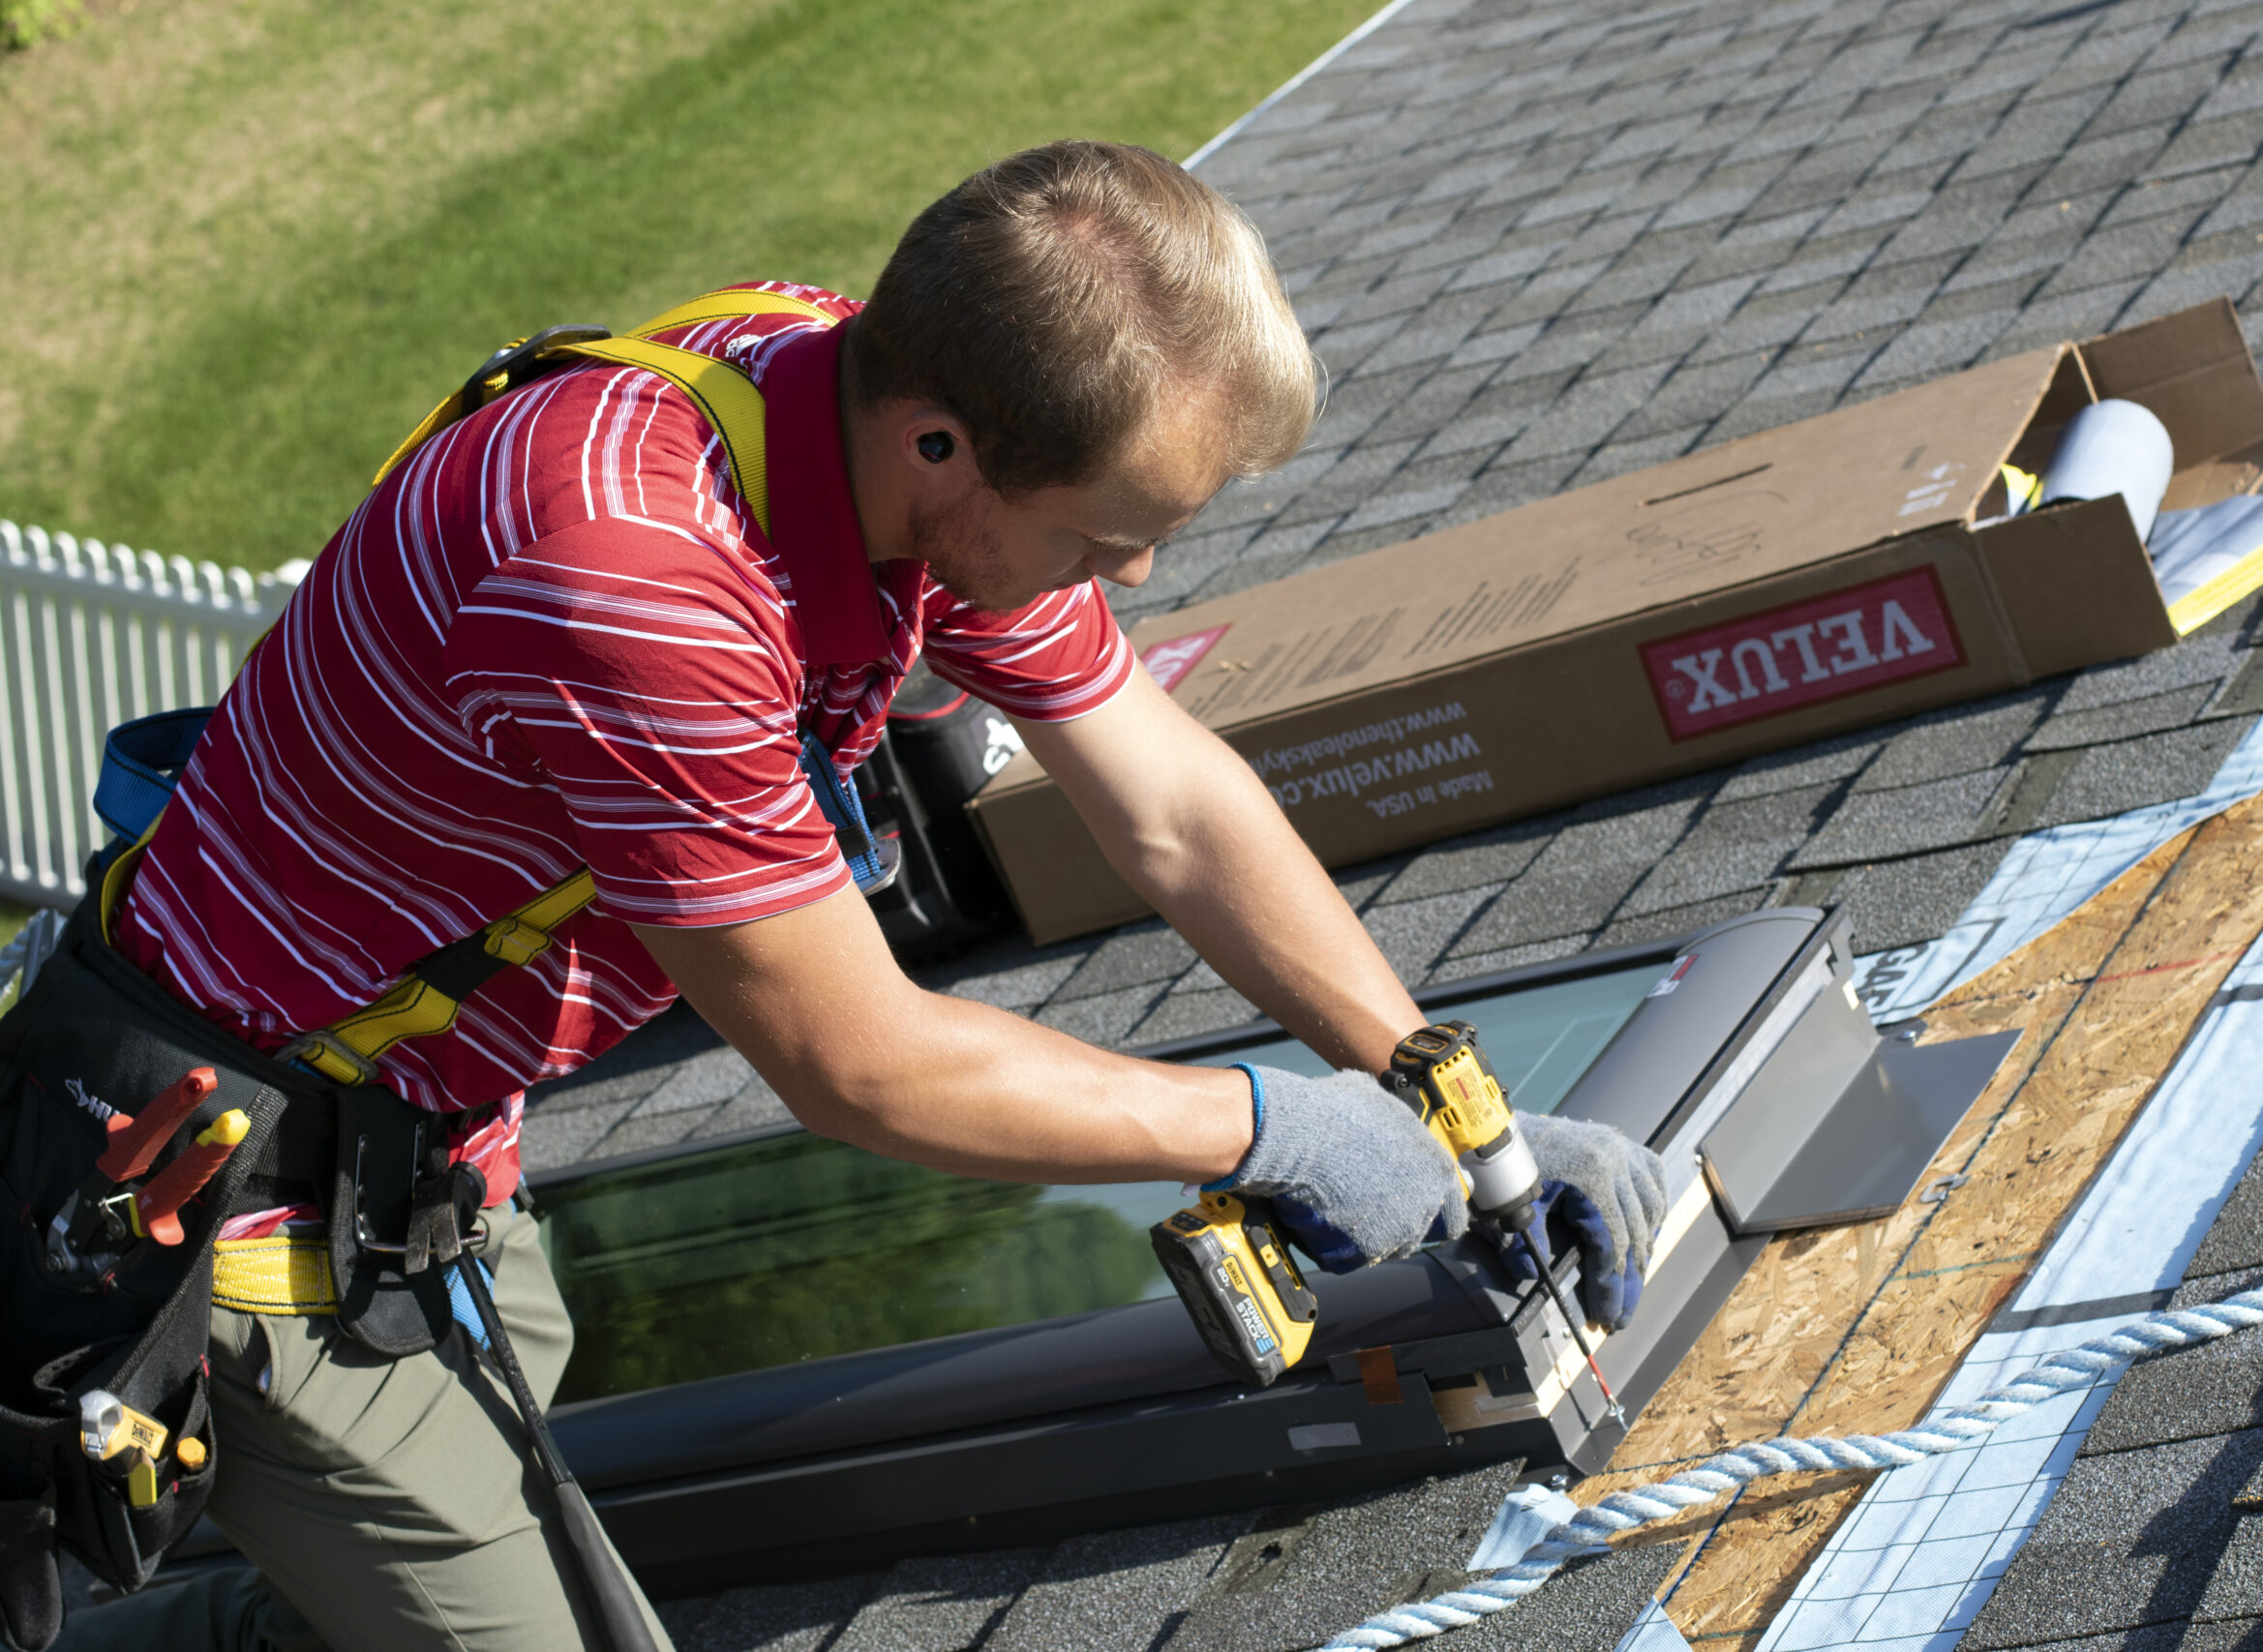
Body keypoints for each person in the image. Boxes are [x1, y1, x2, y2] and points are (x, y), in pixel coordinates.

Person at [29, 140, 1664, 1652]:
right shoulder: (633, 578)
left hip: (436, 1160)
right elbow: (860, 1061)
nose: (1135, 578)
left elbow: (1167, 806)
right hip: (235, 1190)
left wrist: (1459, 1115)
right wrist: (1265, 1127)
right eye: (1104, 539)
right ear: (940, 440)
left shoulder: (847, 389)